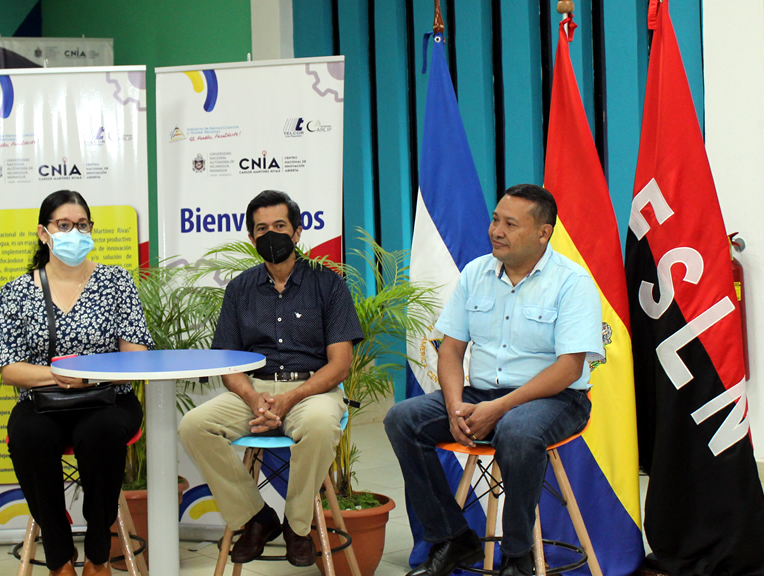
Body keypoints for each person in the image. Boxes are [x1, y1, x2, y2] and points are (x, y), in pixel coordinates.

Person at [384, 184, 603, 576]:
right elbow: (450, 350)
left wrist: (498, 409)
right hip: (480, 392)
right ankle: (453, 537)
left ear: (543, 232)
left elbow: (569, 368)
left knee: (517, 431)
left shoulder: (572, 282)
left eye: (510, 224)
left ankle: (518, 557)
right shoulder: (476, 273)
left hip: (555, 397)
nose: (496, 231)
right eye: (495, 219)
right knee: (403, 419)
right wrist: (455, 406)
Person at [178, 190, 363, 567]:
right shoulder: (240, 288)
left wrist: (289, 399)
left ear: (297, 232)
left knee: (318, 424)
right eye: (261, 228)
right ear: (251, 238)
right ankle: (257, 517)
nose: (271, 234)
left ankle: (297, 526)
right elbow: (228, 363)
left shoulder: (328, 284)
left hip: (312, 389)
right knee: (194, 426)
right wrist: (253, 399)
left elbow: (340, 364)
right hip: (254, 390)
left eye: (280, 226)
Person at [0, 190, 153, 576]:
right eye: (63, 225)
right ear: (43, 233)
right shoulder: (17, 291)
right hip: (42, 400)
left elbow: (137, 356)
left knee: (101, 433)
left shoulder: (117, 282)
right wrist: (57, 375)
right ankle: (59, 555)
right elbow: (10, 367)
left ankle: (98, 552)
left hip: (109, 399)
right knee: (29, 436)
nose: (74, 233)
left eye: (81, 225)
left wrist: (89, 376)